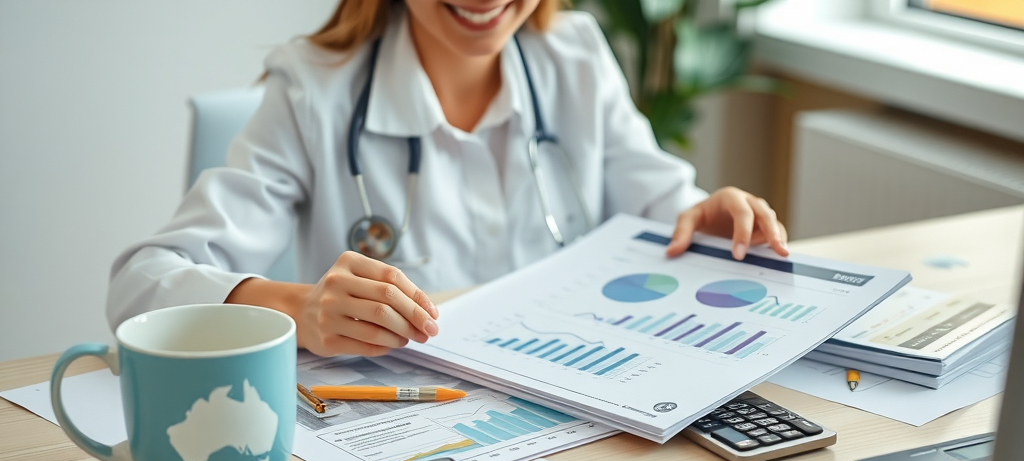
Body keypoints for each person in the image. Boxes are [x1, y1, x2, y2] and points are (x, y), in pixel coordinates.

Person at [107, 0, 788, 359]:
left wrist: (708, 217)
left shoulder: (576, 56)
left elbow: (669, 209)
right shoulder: (315, 88)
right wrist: (300, 309)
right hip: (398, 429)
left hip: (573, 412)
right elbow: (141, 284)